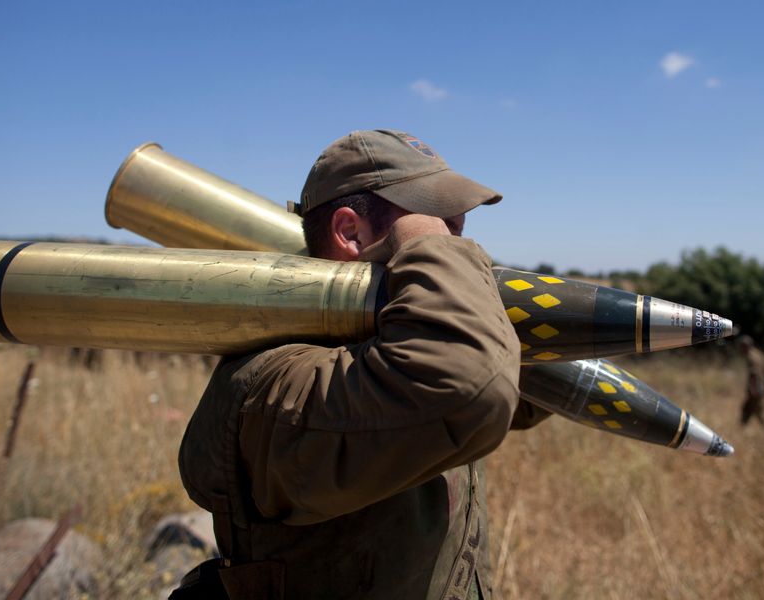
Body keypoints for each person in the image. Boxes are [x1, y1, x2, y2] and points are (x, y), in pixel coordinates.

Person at [174, 130, 534, 599]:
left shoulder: (400, 335)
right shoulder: (275, 385)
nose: (454, 238)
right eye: (438, 223)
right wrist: (434, 250)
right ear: (350, 233)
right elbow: (472, 384)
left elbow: (518, 391)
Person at [738, 335, 764, 427]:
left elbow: (754, 373)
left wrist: (754, 389)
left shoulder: (751, 357)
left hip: (756, 387)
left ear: (745, 346)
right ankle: (743, 427)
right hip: (761, 386)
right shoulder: (758, 354)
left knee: (749, 409)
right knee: (753, 409)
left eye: (742, 347)